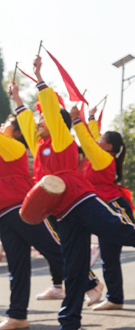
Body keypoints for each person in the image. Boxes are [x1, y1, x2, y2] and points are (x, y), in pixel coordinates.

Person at [13, 59, 135, 330]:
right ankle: (68, 324)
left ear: (56, 123)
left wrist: (40, 79)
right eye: (36, 119)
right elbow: (26, 123)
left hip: (83, 201)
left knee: (126, 233)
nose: (38, 122)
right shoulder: (39, 148)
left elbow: (50, 110)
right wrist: (16, 98)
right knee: (73, 270)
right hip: (63, 213)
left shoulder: (62, 140)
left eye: (42, 118)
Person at [0, 107, 69, 330]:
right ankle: (18, 316)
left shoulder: (14, 146)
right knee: (17, 266)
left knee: (52, 248)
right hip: (3, 210)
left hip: (20, 207)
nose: (3, 126)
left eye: (7, 123)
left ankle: (90, 282)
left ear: (17, 133)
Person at [70, 106, 135, 311]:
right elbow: (93, 137)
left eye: (101, 141)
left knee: (112, 254)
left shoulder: (102, 158)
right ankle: (114, 297)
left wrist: (76, 120)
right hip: (103, 206)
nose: (96, 141)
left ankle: (115, 298)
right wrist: (90, 117)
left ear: (107, 147)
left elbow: (89, 141)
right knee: (109, 256)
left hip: (112, 207)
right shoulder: (101, 156)